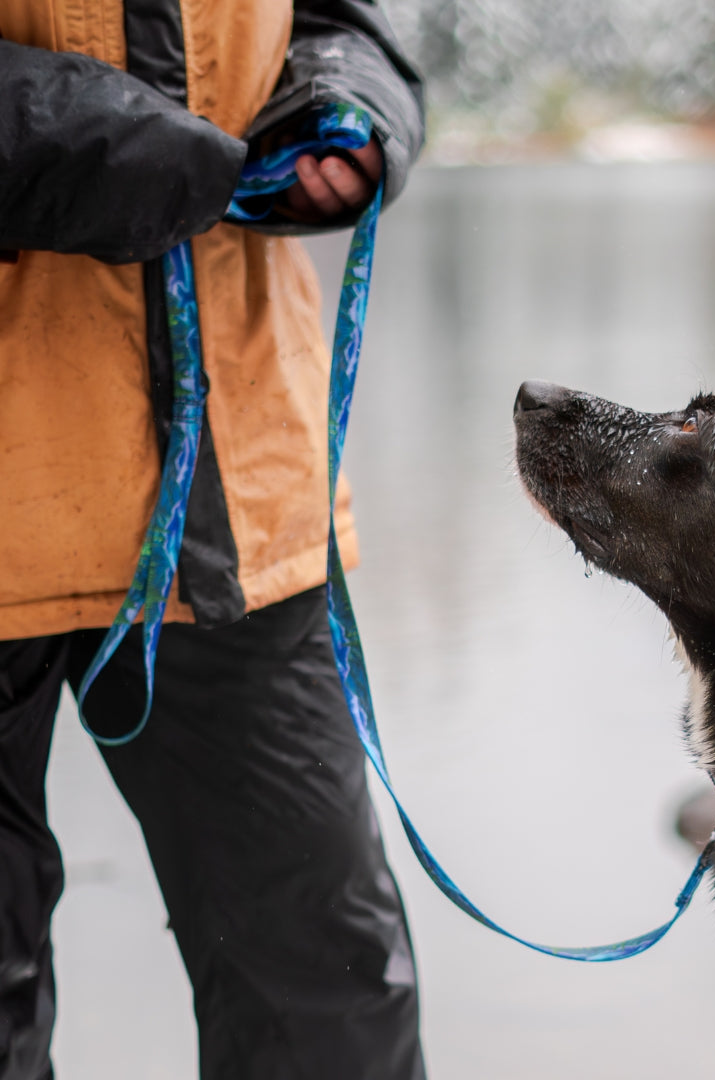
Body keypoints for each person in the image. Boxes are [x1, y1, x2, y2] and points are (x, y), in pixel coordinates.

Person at [0, 3, 426, 1078]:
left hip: (238, 508)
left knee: (328, 1002)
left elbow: (338, 19)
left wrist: (350, 103)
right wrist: (81, 138)